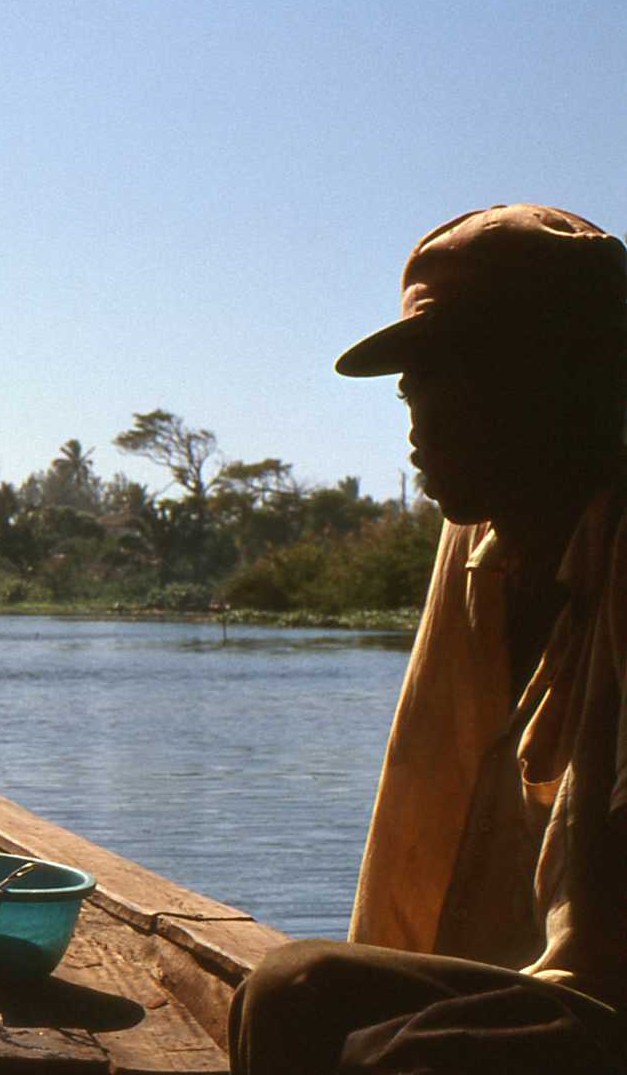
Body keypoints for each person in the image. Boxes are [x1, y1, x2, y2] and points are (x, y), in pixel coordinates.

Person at [228, 203, 627, 1073]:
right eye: (413, 381)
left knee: (409, 1055)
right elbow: (427, 794)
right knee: (290, 987)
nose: (415, 412)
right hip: (576, 998)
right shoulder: (487, 542)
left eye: (454, 373)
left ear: (558, 378)